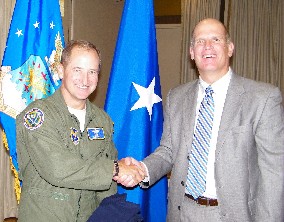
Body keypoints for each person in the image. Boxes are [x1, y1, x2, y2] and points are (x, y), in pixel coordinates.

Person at [116, 18, 284, 221]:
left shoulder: (263, 98)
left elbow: (274, 173)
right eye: (200, 41)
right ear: (192, 53)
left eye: (215, 39)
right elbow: (168, 151)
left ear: (230, 48)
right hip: (183, 212)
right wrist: (142, 169)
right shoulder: (176, 97)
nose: (207, 46)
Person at [16, 40, 144, 222]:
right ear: (61, 70)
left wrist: (123, 171)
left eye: (92, 72)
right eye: (77, 70)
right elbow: (58, 169)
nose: (85, 80)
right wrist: (115, 169)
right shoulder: (38, 116)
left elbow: (105, 184)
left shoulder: (102, 120)